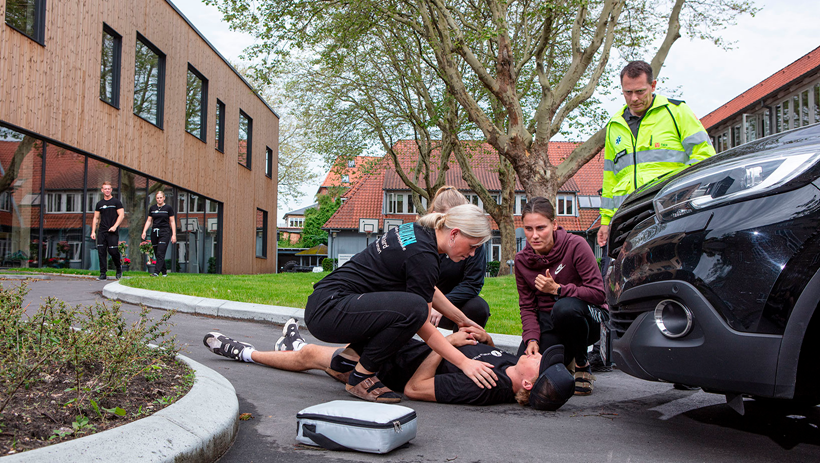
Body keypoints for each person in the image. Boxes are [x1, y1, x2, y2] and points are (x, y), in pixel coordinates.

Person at [305, 204, 497, 404]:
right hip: (329, 311)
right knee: (415, 309)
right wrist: (464, 362)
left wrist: (463, 320)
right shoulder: (424, 255)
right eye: (472, 246)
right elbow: (422, 323)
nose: (473, 254)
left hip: (328, 303)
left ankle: (344, 363)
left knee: (409, 306)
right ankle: (361, 377)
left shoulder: (420, 232)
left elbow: (427, 287)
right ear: (454, 234)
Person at [203, 319, 575, 410]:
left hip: (385, 369)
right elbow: (484, 349)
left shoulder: (484, 388)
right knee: (315, 354)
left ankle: (243, 353)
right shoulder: (511, 362)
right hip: (401, 346)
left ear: (528, 385)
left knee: (311, 358)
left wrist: (445, 344)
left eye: (541, 363)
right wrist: (480, 336)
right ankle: (292, 343)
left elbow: (415, 389)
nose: (538, 353)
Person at [598, 60, 716, 248]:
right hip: (629, 217)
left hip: (670, 211)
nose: (634, 98)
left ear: (653, 86)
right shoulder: (614, 125)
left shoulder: (676, 112)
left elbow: (704, 156)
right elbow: (610, 177)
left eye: (640, 91)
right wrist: (606, 220)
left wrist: (683, 196)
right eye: (628, 92)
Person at [515, 197, 607, 396]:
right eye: (528, 229)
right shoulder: (521, 261)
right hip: (550, 323)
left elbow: (598, 294)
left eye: (541, 228)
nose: (534, 235)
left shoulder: (576, 245)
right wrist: (531, 338)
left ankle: (582, 365)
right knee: (526, 373)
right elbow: (527, 306)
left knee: (564, 308)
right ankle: (566, 359)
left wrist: (558, 289)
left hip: (586, 318)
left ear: (554, 224)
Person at [426, 186, 490, 331]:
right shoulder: (423, 243)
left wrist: (444, 306)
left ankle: (462, 344)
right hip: (423, 301)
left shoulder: (473, 243)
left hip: (453, 302)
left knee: (478, 307)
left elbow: (473, 283)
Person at [90, 181, 125, 280]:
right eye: (105, 189)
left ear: (111, 190)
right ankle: (102, 274)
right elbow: (96, 218)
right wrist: (93, 231)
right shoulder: (99, 204)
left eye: (109, 188)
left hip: (112, 232)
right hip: (102, 231)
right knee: (101, 252)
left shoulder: (116, 202)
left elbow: (121, 215)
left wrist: (115, 226)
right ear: (102, 190)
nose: (107, 190)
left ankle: (118, 269)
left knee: (113, 251)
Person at [141, 191, 177, 277]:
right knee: (157, 253)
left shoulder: (168, 208)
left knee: (161, 252)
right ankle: (164, 272)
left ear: (164, 198)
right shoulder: (152, 208)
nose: (159, 199)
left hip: (165, 232)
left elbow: (172, 221)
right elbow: (149, 220)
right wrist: (144, 231)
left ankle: (156, 272)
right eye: (157, 198)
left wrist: (174, 234)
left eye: (161, 198)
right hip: (154, 232)